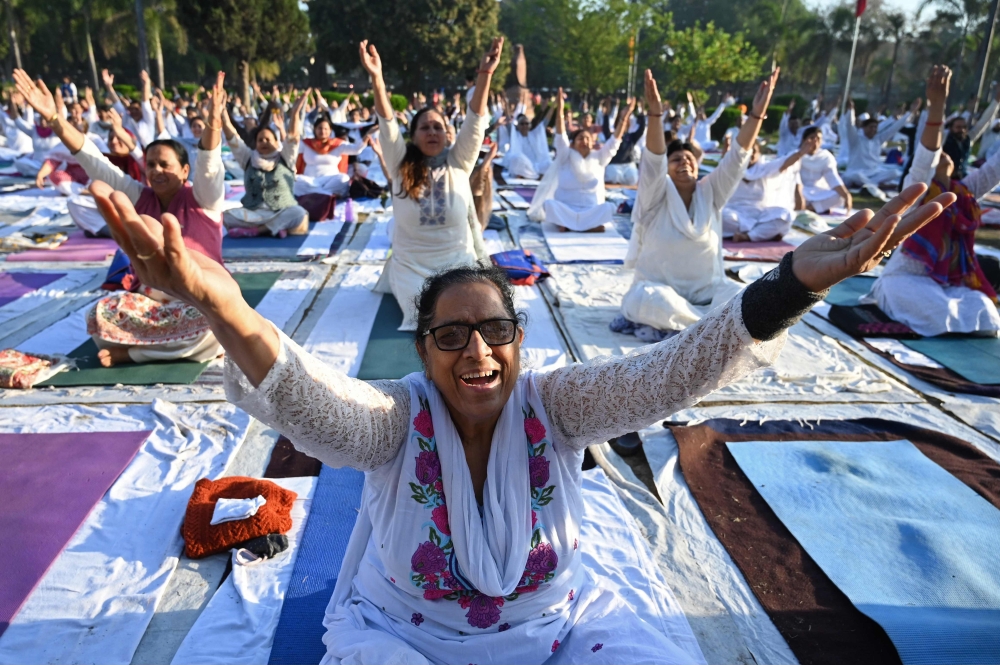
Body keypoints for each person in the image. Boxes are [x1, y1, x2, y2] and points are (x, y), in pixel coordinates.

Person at [90, 132, 949, 660]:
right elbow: (313, 401)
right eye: (451, 335)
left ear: (519, 341)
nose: (476, 352)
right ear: (423, 350)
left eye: (493, 331)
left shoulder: (557, 403)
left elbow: (675, 370)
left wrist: (791, 282)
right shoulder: (398, 419)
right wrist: (223, 303)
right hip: (405, 639)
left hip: (557, 632)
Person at [12, 68, 229, 368]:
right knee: (100, 316)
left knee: (217, 325)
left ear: (183, 171)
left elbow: (209, 164)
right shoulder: (140, 197)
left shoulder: (204, 199)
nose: (156, 171)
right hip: (153, 301)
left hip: (198, 297)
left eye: (165, 165)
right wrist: (54, 119)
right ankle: (163, 347)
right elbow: (93, 160)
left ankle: (135, 354)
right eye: (151, 165)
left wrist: (214, 122)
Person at [619, 69, 778, 333]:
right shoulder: (654, 196)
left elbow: (737, 157)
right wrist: (655, 115)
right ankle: (708, 330)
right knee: (648, 300)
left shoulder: (711, 191)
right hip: (661, 294)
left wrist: (756, 115)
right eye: (676, 159)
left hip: (709, 295)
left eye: (689, 158)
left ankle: (704, 327)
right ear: (667, 170)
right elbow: (652, 161)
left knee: (747, 296)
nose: (684, 162)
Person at [361, 39, 501, 331]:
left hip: (459, 263)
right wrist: (377, 78)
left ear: (448, 135)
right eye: (425, 127)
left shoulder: (458, 163)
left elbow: (475, 124)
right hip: (413, 267)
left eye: (438, 126)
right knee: (429, 317)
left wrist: (485, 76)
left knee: (475, 310)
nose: (433, 132)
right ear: (413, 136)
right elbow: (387, 125)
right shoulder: (401, 164)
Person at [871, 65, 1000, 337]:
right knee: (937, 312)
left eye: (947, 155)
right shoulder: (916, 190)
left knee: (985, 311)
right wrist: (937, 105)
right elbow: (927, 152)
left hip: (944, 282)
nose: (944, 156)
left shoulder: (962, 193)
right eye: (940, 154)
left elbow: (994, 169)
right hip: (904, 281)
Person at [526, 92, 635, 232]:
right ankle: (586, 226)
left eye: (587, 138)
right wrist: (560, 108)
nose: (584, 141)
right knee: (549, 205)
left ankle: (571, 225)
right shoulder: (565, 155)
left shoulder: (599, 157)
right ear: (572, 143)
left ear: (593, 142)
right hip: (566, 208)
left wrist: (624, 118)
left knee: (609, 207)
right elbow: (560, 134)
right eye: (580, 138)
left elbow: (614, 141)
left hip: (591, 209)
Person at [221, 93, 311, 239]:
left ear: (277, 142)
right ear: (255, 144)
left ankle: (258, 231)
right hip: (253, 213)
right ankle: (274, 229)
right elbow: (232, 138)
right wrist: (222, 112)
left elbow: (293, 137)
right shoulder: (248, 158)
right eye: (260, 140)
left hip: (281, 211)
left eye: (268, 139)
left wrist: (294, 113)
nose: (264, 142)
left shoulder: (285, 157)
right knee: (224, 216)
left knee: (299, 213)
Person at [721, 141, 803, 243]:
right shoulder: (731, 169)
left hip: (760, 215)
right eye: (747, 151)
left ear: (759, 154)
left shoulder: (765, 168)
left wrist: (802, 152)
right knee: (721, 216)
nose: (750, 154)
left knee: (785, 215)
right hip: (734, 214)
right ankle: (762, 232)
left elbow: (785, 163)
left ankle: (748, 236)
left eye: (754, 151)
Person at [841, 97, 918, 198]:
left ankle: (870, 185)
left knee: (895, 172)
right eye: (870, 127)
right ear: (864, 128)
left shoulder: (878, 139)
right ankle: (876, 186)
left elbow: (894, 128)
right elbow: (850, 126)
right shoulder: (856, 139)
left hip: (873, 173)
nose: (873, 129)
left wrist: (910, 112)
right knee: (854, 176)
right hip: (856, 172)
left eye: (875, 127)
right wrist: (851, 110)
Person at [294, 114, 370, 198]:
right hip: (310, 180)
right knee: (294, 180)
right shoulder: (305, 144)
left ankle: (315, 193)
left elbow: (356, 149)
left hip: (330, 180)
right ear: (314, 129)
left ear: (330, 131)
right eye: (319, 128)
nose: (322, 131)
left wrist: (367, 136)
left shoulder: (338, 144)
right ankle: (327, 194)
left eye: (326, 129)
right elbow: (290, 150)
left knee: (343, 178)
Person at [794, 126, 852, 214]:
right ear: (804, 140)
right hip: (800, 191)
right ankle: (817, 208)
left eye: (818, 139)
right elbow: (793, 178)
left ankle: (809, 208)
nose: (815, 142)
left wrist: (846, 195)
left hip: (818, 192)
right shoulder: (795, 155)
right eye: (812, 138)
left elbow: (833, 178)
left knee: (839, 196)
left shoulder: (825, 157)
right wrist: (798, 194)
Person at [503, 107, 554, 180]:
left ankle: (534, 176)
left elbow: (545, 121)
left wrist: (554, 104)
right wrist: (505, 103)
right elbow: (508, 120)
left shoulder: (534, 134)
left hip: (537, 166)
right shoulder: (514, 135)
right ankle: (533, 176)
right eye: (522, 124)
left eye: (526, 123)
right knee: (518, 158)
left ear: (529, 125)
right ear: (518, 125)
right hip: (523, 166)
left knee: (549, 163)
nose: (524, 126)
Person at [603, 104, 646, 185]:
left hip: (629, 165)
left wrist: (641, 113)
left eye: (626, 124)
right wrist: (606, 114)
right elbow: (605, 128)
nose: (623, 126)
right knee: (613, 176)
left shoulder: (632, 136)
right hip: (614, 165)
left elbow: (641, 129)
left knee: (633, 177)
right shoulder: (611, 137)